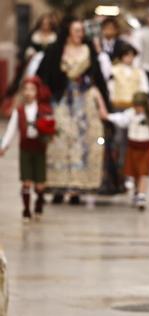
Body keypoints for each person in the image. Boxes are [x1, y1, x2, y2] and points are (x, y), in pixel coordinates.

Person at [37, 17, 109, 205]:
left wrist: (103, 104)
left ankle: (77, 186)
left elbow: (98, 77)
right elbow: (42, 75)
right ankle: (57, 185)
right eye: (76, 30)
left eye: (81, 31)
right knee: (59, 140)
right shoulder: (55, 50)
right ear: (68, 31)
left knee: (82, 142)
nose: (80, 34)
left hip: (83, 102)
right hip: (61, 101)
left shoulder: (88, 51)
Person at [0, 77, 54, 221]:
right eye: (26, 89)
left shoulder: (44, 109)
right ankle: (26, 210)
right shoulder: (20, 111)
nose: (28, 93)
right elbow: (11, 129)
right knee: (26, 181)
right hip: (25, 148)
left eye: (32, 90)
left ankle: (39, 204)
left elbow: (51, 127)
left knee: (40, 183)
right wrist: (4, 146)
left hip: (39, 148)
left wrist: (48, 133)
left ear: (37, 92)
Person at [106, 92, 149, 210]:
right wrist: (107, 116)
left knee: (144, 173)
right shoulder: (129, 114)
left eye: (140, 106)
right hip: (133, 147)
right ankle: (137, 192)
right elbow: (120, 119)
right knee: (135, 173)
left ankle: (142, 196)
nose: (138, 108)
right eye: (136, 106)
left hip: (146, 148)